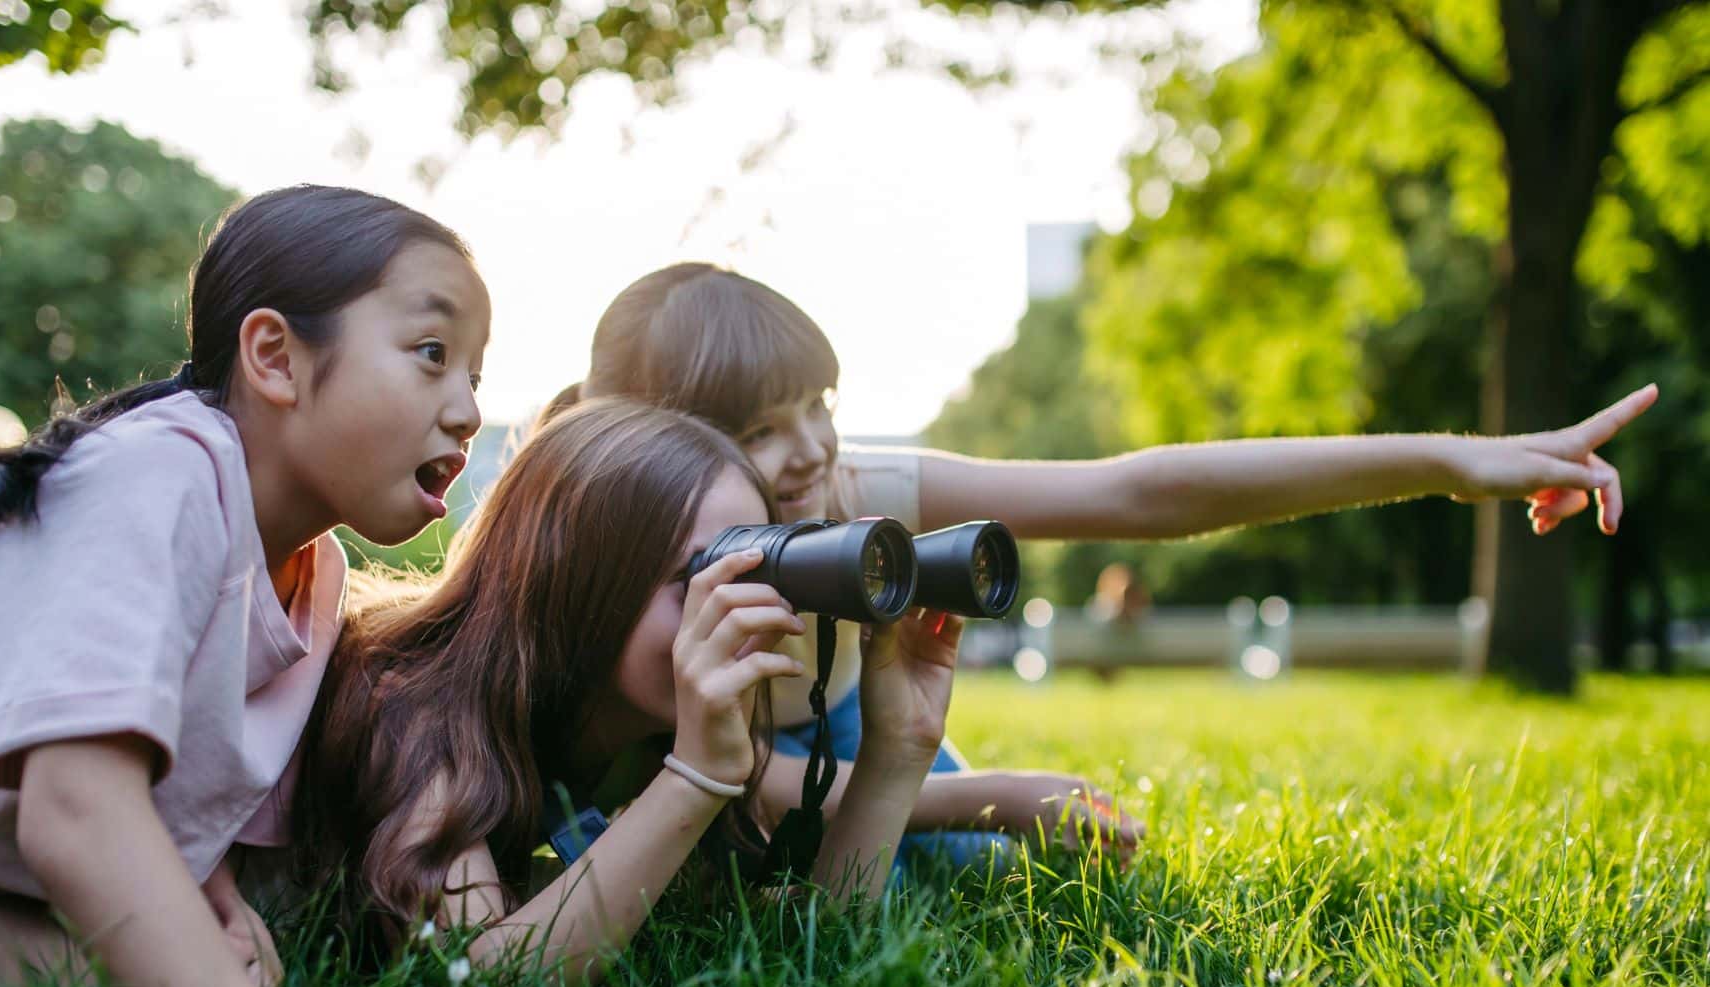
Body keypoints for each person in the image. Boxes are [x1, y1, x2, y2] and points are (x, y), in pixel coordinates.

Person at [546, 262, 1657, 870]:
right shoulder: (629, 566)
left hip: (842, 725)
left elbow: (1139, 493)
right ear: (654, 448)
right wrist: (985, 793)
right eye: (761, 428)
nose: (814, 452)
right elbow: (736, 782)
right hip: (720, 761)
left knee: (991, 875)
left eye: (819, 404)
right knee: (780, 876)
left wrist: (1453, 463)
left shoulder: (852, 489)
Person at [0, 184, 490, 987]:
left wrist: (209, 899)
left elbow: (164, 775)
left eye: (476, 375)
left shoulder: (314, 571)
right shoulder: (155, 473)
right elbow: (76, 806)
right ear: (276, 357)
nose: (466, 410)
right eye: (432, 354)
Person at [294, 400, 962, 986]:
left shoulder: (652, 733)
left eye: (760, 575)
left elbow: (809, 952)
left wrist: (897, 752)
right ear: (572, 582)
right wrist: (694, 778)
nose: (734, 614)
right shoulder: (414, 703)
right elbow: (473, 982)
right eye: (699, 579)